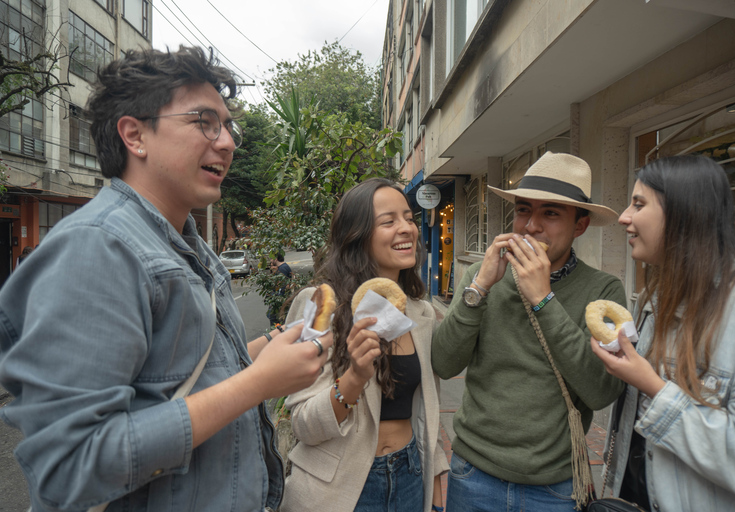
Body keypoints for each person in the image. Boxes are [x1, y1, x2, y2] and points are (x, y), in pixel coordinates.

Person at [0, 46, 331, 512]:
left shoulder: (184, 244)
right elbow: (70, 466)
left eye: (227, 125)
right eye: (204, 121)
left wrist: (271, 349)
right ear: (135, 135)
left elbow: (176, 373)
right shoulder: (100, 246)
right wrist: (257, 383)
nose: (228, 142)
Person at [432, 152, 627, 511]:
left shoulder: (604, 291)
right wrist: (479, 289)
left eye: (550, 213)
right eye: (523, 210)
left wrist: (543, 299)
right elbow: (444, 364)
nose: (530, 226)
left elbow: (601, 392)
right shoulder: (481, 276)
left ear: (580, 226)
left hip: (553, 488)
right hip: (472, 473)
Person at [592, 155, 735, 511]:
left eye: (638, 204)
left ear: (684, 213)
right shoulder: (656, 296)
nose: (624, 217)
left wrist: (653, 387)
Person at [280, 178, 449, 512]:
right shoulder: (320, 305)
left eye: (409, 218)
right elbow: (302, 424)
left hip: (410, 476)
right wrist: (354, 378)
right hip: (341, 487)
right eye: (388, 222)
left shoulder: (421, 312)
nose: (406, 229)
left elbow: (425, 409)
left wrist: (436, 472)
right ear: (356, 236)